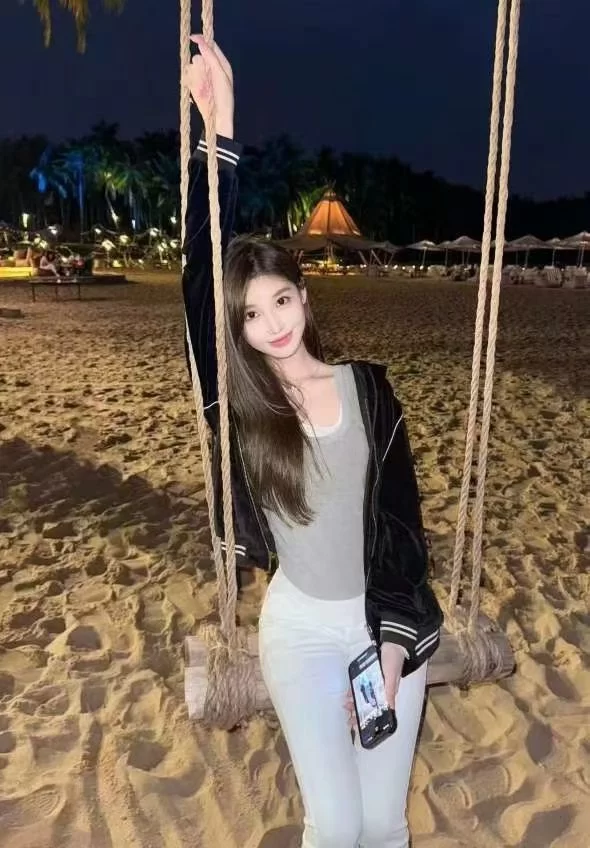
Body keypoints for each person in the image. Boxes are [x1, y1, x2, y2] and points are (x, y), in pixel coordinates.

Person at [182, 36, 443, 848]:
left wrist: (392, 656)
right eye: (251, 314)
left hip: (382, 626)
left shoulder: (370, 391)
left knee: (383, 824)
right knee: (334, 825)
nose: (272, 324)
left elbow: (402, 532)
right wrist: (219, 134)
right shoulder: (246, 409)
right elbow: (199, 278)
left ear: (305, 297)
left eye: (282, 300)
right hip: (297, 630)